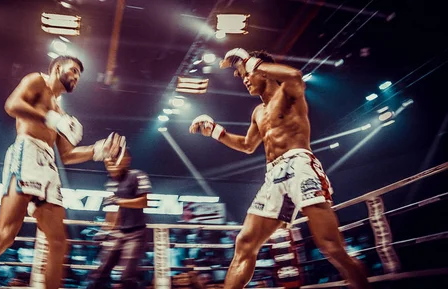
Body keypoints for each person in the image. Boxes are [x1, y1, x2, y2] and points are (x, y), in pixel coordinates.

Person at [189, 48, 371, 289]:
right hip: (273, 175)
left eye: (246, 74)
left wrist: (249, 61)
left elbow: (295, 75)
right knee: (245, 243)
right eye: (242, 75)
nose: (244, 80)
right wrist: (214, 131)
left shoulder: (288, 92)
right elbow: (246, 145)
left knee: (330, 246)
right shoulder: (258, 112)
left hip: (300, 165)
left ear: (262, 72)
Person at [0, 55, 124, 289]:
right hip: (27, 152)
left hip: (48, 165)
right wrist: (50, 118)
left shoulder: (61, 112)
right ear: (57, 68)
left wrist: (98, 150)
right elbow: (12, 105)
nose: (76, 76)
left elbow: (66, 154)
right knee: (4, 235)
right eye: (73, 70)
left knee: (58, 242)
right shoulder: (37, 81)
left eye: (79, 74)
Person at [86, 150, 150, 289]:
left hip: (136, 233)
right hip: (117, 233)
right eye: (108, 162)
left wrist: (118, 201)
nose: (111, 164)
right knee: (99, 273)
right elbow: (113, 211)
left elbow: (143, 202)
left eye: (115, 160)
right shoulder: (111, 182)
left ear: (126, 160)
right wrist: (104, 230)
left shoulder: (138, 175)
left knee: (127, 277)